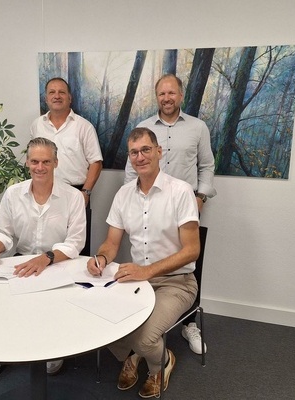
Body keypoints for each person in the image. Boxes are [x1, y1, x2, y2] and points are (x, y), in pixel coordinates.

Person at [87, 127, 200, 398]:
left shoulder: (181, 191)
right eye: (134, 152)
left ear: (159, 152)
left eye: (146, 150)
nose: (140, 157)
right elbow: (111, 243)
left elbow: (192, 251)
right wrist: (101, 257)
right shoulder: (123, 194)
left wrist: (147, 271)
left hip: (178, 283)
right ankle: (136, 354)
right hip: (138, 280)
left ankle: (161, 363)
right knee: (101, 320)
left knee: (144, 338)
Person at [0, 137, 86, 384]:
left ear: (56, 163)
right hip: (23, 259)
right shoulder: (13, 194)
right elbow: (4, 232)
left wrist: (45, 258)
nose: (40, 167)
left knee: (51, 306)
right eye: (34, 161)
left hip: (59, 262)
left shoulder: (73, 197)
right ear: (27, 162)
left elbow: (75, 242)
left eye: (46, 161)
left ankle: (53, 349)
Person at [125, 73, 215, 355]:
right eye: (162, 94)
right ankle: (148, 318)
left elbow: (207, 166)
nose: (167, 98)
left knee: (189, 263)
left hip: (186, 208)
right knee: (149, 256)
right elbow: (131, 172)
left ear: (181, 95)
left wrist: (200, 197)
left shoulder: (198, 127)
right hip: (150, 205)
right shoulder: (142, 128)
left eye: (171, 93)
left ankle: (189, 323)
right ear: (157, 97)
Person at [30, 77, 103, 256]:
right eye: (52, 92)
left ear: (69, 98)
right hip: (43, 193)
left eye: (62, 92)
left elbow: (96, 162)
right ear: (46, 98)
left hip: (76, 193)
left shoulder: (83, 126)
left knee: (77, 248)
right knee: (44, 245)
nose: (57, 96)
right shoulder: (37, 125)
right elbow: (34, 158)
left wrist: (85, 192)